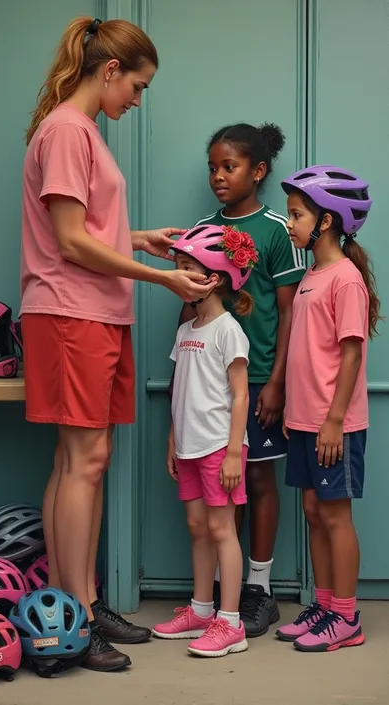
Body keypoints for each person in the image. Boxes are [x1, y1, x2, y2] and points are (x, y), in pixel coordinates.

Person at [19, 16, 215, 673]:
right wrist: (160, 276)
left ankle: (81, 601)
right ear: (109, 71)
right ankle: (73, 614)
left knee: (81, 458)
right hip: (72, 314)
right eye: (137, 85)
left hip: (94, 314)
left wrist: (139, 236)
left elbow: (84, 230)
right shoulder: (69, 131)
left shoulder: (80, 132)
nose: (137, 99)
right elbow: (70, 243)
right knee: (87, 458)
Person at [175, 123, 306, 637]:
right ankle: (218, 599)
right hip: (207, 386)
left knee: (257, 477)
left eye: (228, 166)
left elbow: (289, 312)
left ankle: (260, 588)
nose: (217, 176)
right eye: (212, 167)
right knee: (222, 491)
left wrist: (276, 382)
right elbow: (188, 302)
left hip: (256, 382)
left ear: (258, 171)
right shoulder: (203, 227)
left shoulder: (277, 228)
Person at [276, 165, 380, 652]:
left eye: (297, 215)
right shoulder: (312, 275)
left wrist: (335, 419)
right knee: (314, 510)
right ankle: (324, 604)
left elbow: (352, 352)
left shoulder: (344, 279)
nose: (290, 223)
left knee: (336, 515)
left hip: (332, 424)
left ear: (328, 221)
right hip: (304, 421)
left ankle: (346, 615)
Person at [153, 223, 257, 657]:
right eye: (177, 268)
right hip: (190, 446)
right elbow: (181, 389)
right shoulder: (187, 330)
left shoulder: (228, 329)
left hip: (220, 447)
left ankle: (230, 623)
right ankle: (200, 610)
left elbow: (240, 394)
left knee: (221, 529)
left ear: (213, 277)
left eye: (186, 269)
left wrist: (235, 451)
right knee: (198, 528)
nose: (179, 277)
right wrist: (174, 439)